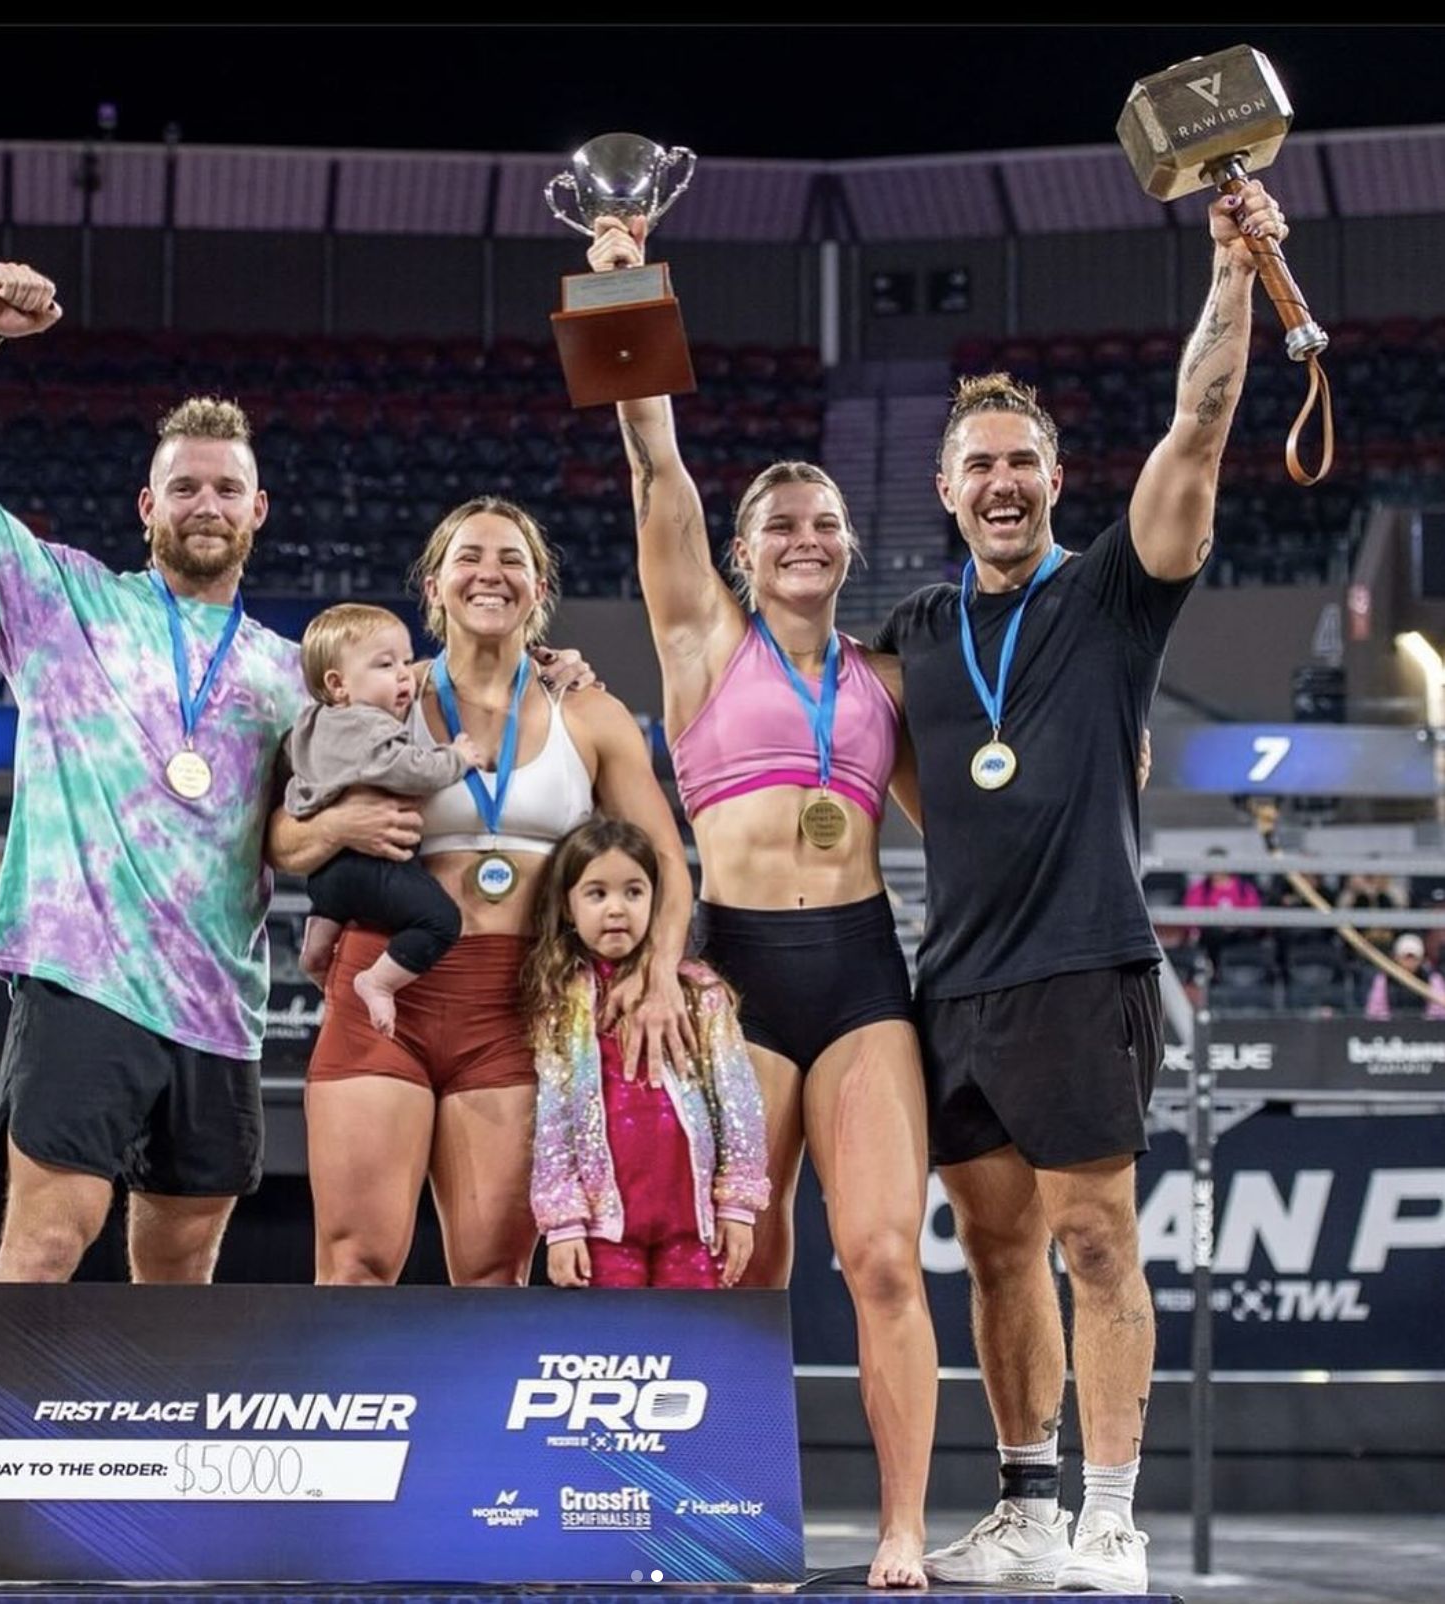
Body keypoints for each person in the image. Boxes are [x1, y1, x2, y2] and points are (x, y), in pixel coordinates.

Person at [0, 262, 581, 1286]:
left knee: (183, 1277)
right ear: (148, 503)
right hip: (81, 977)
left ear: (259, 509)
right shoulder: (62, 602)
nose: (206, 503)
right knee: (46, 1241)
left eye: (227, 488)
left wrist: (553, 670)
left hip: (219, 1004)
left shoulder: (292, 673)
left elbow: (328, 805)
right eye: (184, 486)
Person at [873, 181, 1291, 1592]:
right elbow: (877, 756)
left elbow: (1199, 428)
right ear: (945, 489)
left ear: (1053, 479)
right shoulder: (918, 627)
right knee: (995, 1252)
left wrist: (1230, 273)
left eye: (1021, 463)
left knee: (1096, 1241)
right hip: (958, 982)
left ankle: (1111, 1517)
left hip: (1083, 962)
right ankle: (1027, 1508)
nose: (999, 483)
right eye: (976, 465)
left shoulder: (1116, 590)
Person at [590, 217, 934, 1587]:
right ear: (739, 553)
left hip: (860, 972)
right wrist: (623, 277)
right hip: (732, 970)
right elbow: (652, 459)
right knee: (738, 1260)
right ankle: (727, 1519)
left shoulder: (886, 682)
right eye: (779, 524)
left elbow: (984, 814)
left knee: (884, 1258)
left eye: (824, 522)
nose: (804, 537)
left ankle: (902, 1528)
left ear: (851, 547)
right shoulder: (700, 642)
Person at [268, 496, 696, 1290]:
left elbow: (667, 862)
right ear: (433, 586)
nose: (489, 574)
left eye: (512, 561)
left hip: (519, 1006)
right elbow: (281, 843)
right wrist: (336, 826)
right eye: (468, 557)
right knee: (355, 1265)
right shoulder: (376, 701)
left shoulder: (590, 712)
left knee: (495, 1274)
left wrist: (660, 973)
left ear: (540, 589)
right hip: (385, 990)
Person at [527, 815, 769, 1290]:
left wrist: (737, 1205)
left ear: (656, 903)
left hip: (695, 1230)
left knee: (691, 1335)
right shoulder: (563, 1003)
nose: (616, 909)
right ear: (568, 907)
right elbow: (553, 1122)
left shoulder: (698, 992)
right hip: (604, 1231)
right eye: (597, 894)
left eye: (633, 892)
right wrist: (564, 1225)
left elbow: (739, 1104)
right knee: (614, 1337)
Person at [285, 602, 486, 1036]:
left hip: (326, 878)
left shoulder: (312, 722)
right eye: (385, 665)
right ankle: (378, 982)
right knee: (441, 922)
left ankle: (315, 952)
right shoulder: (366, 727)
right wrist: (457, 757)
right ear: (337, 685)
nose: (403, 675)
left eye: (406, 661)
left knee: (331, 919)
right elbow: (413, 770)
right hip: (372, 868)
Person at [1364, 933, 1445, 1019]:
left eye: (1413, 958)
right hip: (1392, 1025)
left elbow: (1439, 1012)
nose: (1409, 962)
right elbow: (1374, 1012)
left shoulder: (1433, 979)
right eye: (1406, 957)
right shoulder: (1384, 980)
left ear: (1421, 959)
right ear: (1396, 958)